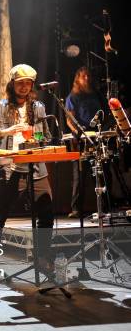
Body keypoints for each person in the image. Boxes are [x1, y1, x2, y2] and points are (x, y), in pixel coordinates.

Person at [0, 64, 54, 278]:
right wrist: (5, 131)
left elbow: (46, 137)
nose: (24, 87)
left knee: (46, 214)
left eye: (28, 83)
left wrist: (34, 138)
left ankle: (42, 258)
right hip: (8, 169)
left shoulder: (38, 107)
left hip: (35, 168)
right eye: (20, 83)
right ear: (12, 84)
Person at [65, 66, 104, 218]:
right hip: (81, 140)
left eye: (88, 75)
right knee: (79, 175)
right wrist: (78, 133)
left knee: (100, 173)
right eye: (83, 76)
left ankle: (104, 207)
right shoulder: (73, 96)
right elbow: (70, 119)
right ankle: (76, 209)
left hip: (97, 137)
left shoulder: (96, 94)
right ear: (78, 79)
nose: (87, 78)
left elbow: (104, 112)